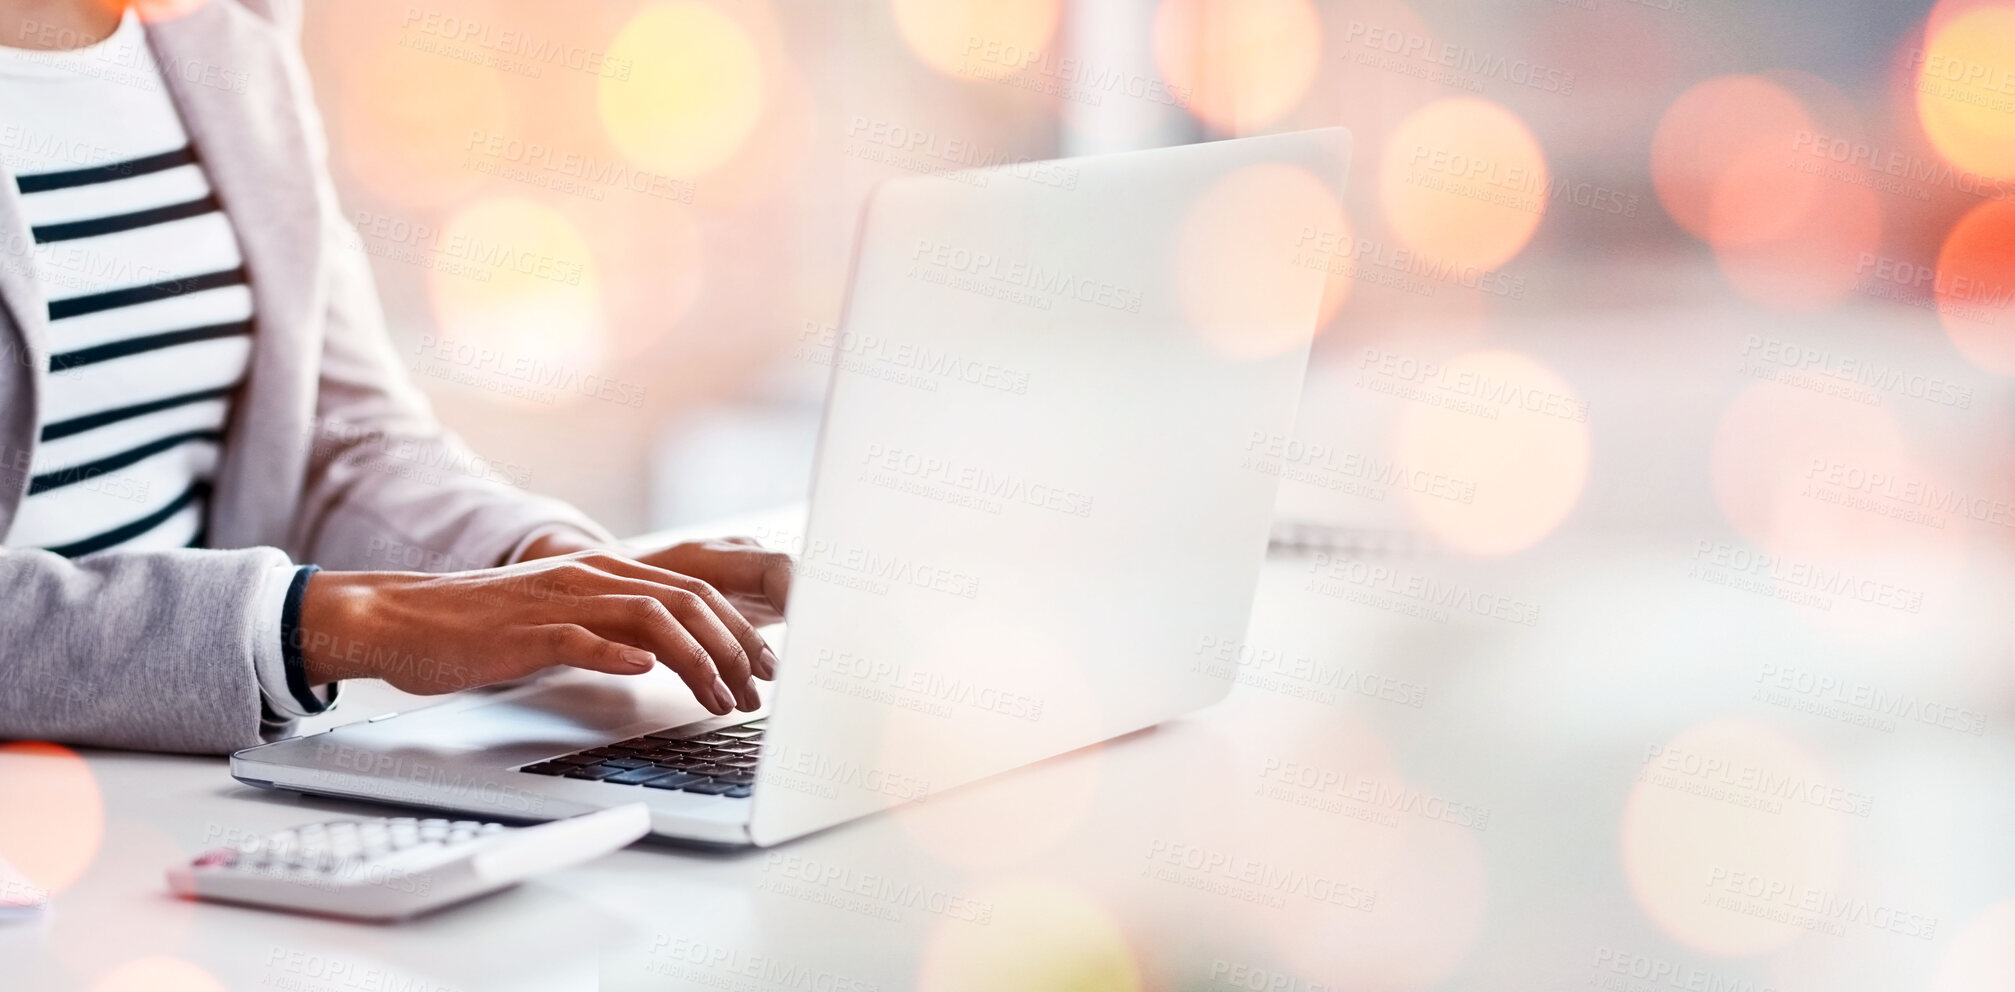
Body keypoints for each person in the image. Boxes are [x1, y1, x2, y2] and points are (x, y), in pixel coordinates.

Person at [0, 0, 791, 754]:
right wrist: (348, 623)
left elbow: (335, 435)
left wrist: (545, 570)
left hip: (178, 773)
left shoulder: (223, 25)